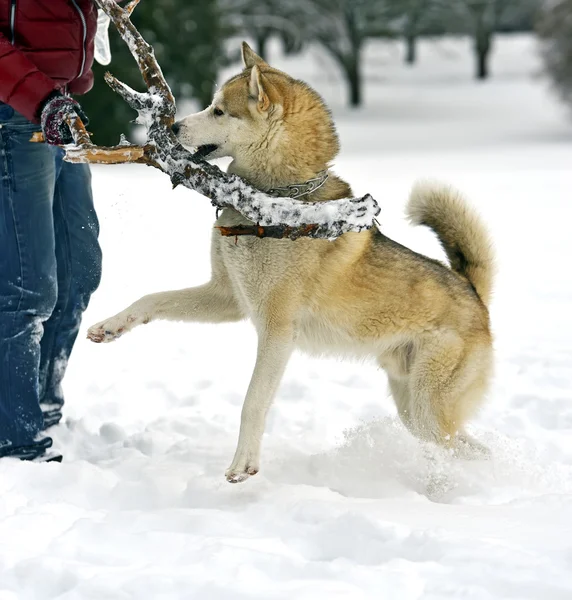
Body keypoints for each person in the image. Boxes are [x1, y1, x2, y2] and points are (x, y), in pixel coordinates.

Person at [0, 1, 103, 462]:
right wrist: (38, 98)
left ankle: (37, 404)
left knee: (79, 271)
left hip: (56, 108)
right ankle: (14, 433)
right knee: (26, 286)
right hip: (14, 112)